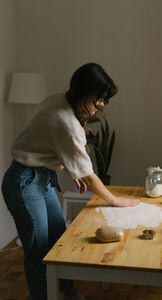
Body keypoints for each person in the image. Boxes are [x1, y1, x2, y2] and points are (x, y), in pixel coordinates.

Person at [1, 63, 140, 300]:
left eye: (104, 100)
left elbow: (50, 143)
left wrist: (71, 169)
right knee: (38, 253)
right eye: (99, 99)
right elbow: (89, 174)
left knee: (58, 243)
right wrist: (116, 200)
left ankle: (70, 294)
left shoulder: (59, 100)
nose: (101, 105)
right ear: (85, 92)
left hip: (41, 178)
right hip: (23, 183)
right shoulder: (65, 120)